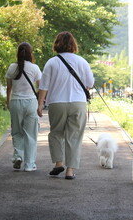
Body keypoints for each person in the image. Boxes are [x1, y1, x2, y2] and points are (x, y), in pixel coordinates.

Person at [37, 31, 94, 180]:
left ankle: (58, 164)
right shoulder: (82, 61)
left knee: (56, 133)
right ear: (73, 45)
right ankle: (70, 171)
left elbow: (44, 86)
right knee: (74, 136)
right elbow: (90, 83)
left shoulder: (51, 62)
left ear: (56, 44)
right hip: (78, 103)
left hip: (57, 103)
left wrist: (40, 105)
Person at [6, 42, 42, 171]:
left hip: (15, 102)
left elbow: (9, 87)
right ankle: (29, 164)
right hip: (31, 103)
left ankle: (18, 157)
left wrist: (8, 101)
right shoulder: (35, 68)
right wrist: (40, 103)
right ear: (30, 53)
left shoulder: (11, 67)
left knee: (17, 132)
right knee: (31, 134)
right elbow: (41, 87)